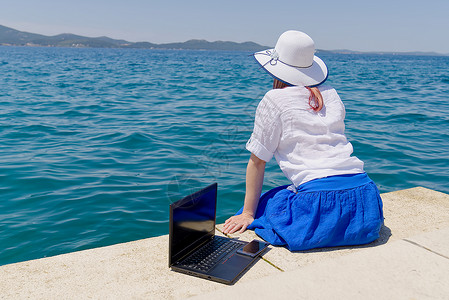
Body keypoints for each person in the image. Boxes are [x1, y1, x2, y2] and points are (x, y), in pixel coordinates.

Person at [222, 30, 383, 251]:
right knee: (286, 192)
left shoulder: (274, 99)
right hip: (366, 201)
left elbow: (258, 162)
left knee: (269, 202)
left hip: (319, 203)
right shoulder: (332, 95)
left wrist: (248, 214)